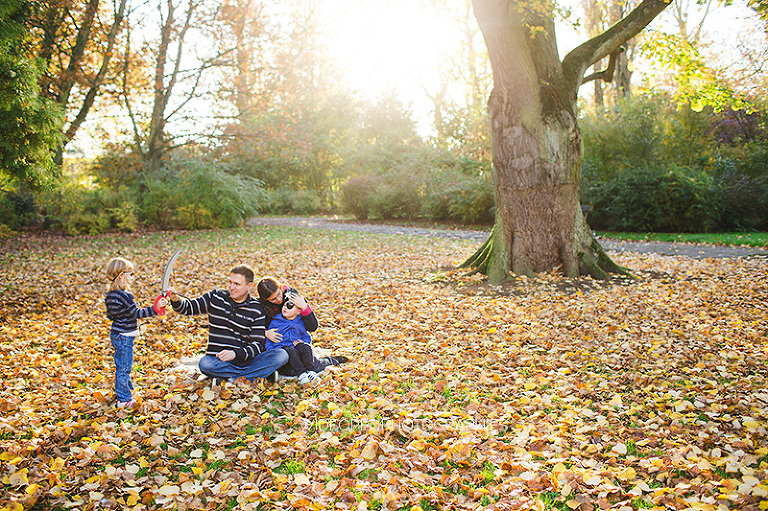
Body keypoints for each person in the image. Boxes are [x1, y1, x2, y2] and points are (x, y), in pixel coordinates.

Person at [168, 265, 288, 383]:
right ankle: (250, 376)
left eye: (237, 284)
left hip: (246, 358)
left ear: (249, 286)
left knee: (281, 355)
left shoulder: (256, 308)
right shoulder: (215, 297)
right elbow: (188, 307)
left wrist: (235, 354)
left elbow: (257, 345)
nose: (232, 287)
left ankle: (232, 377)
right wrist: (175, 300)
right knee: (204, 363)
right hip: (219, 359)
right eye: (230, 282)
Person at [104, 257, 167, 409]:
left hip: (117, 334)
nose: (132, 278)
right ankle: (124, 399)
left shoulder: (110, 295)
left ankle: (126, 390)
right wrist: (156, 308)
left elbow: (111, 316)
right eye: (130, 274)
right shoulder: (126, 296)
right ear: (121, 276)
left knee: (123, 365)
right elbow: (136, 313)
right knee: (124, 367)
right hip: (125, 335)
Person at [257, 276, 348, 378]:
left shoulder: (290, 296)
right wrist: (265, 332)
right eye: (273, 299)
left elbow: (312, 327)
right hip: (280, 347)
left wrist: (304, 307)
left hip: (296, 342)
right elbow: (249, 328)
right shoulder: (261, 307)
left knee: (308, 359)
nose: (279, 300)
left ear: (281, 288)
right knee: (291, 369)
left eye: (279, 294)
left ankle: (329, 361)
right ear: (265, 299)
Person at [266, 298, 321, 384]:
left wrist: (302, 342)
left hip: (296, 348)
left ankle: (311, 371)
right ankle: (301, 373)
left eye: (289, 306)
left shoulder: (300, 322)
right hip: (282, 350)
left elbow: (306, 337)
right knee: (291, 352)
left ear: (298, 311)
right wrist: (271, 351)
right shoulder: (275, 322)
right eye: (284, 305)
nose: (284, 308)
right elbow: (269, 340)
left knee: (306, 348)